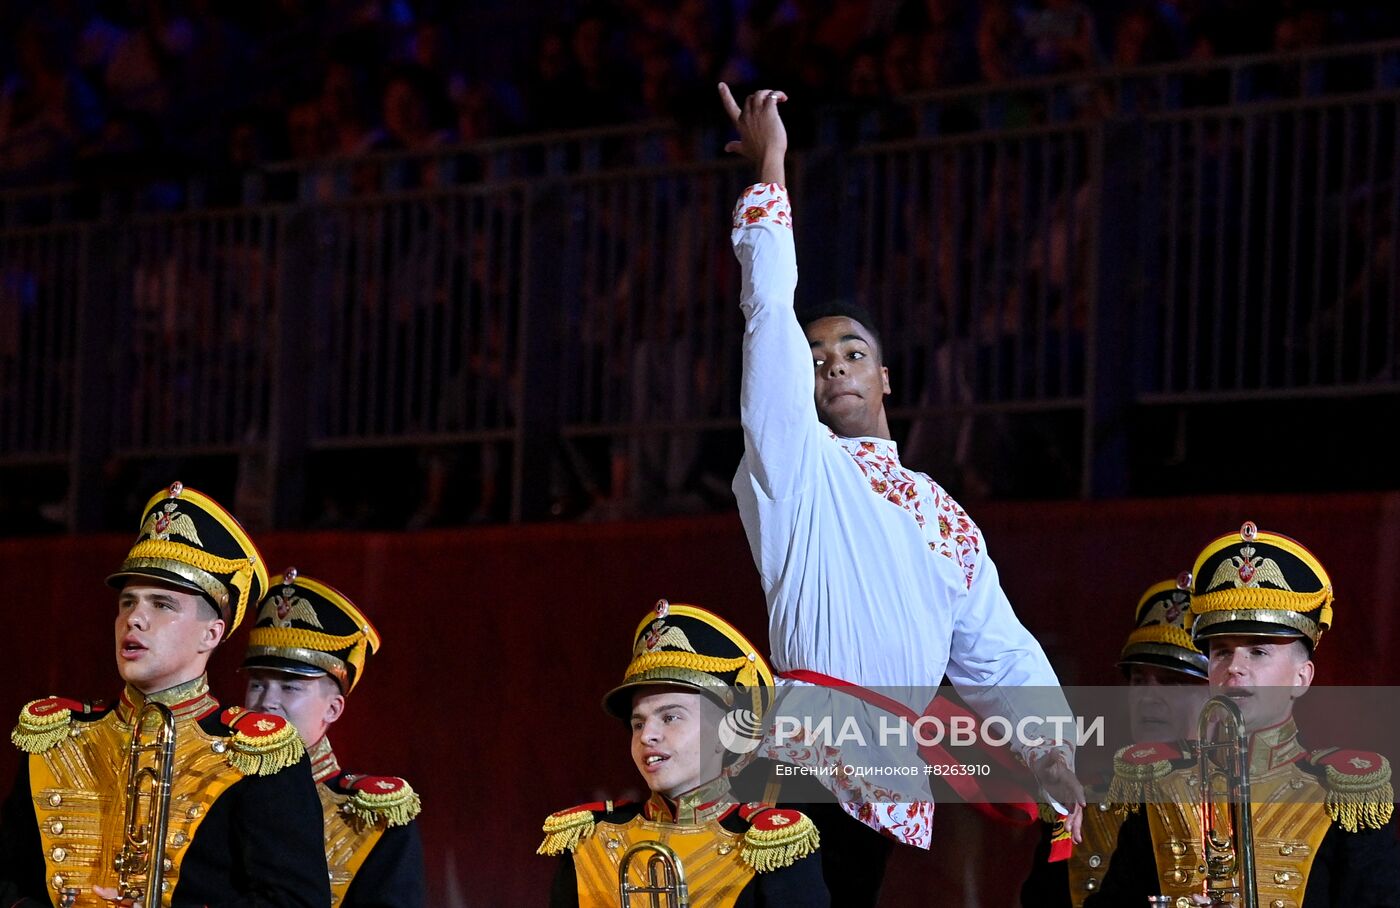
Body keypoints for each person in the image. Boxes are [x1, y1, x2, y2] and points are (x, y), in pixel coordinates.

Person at [718, 82, 1083, 905]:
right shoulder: (795, 468)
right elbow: (768, 311)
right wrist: (772, 167)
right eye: (815, 358)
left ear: (885, 376)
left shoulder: (942, 514)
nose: (833, 363)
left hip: (888, 776)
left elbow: (999, 651)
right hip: (800, 757)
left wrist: (1053, 749)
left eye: (852, 351)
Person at [0, 481, 330, 907]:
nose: (135, 618)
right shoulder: (55, 737)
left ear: (212, 633)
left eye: (162, 604)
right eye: (127, 602)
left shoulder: (257, 756)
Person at [1085, 522, 1400, 906]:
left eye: (1258, 652)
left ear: (1302, 677)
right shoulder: (1160, 787)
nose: (1234, 667)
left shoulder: (1344, 797)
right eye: (1221, 651)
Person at [538, 599, 830, 907]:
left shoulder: (772, 846)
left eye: (669, 717)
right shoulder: (589, 840)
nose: (647, 735)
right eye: (638, 723)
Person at [1020, 578, 1209, 907]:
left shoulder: (1241, 803)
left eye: (1170, 682)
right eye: (1139, 680)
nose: (1149, 697)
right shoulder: (1083, 808)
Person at [243, 567, 425, 908]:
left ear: (334, 708)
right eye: (257, 683)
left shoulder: (370, 818)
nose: (266, 700)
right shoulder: (215, 788)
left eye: (289, 686)